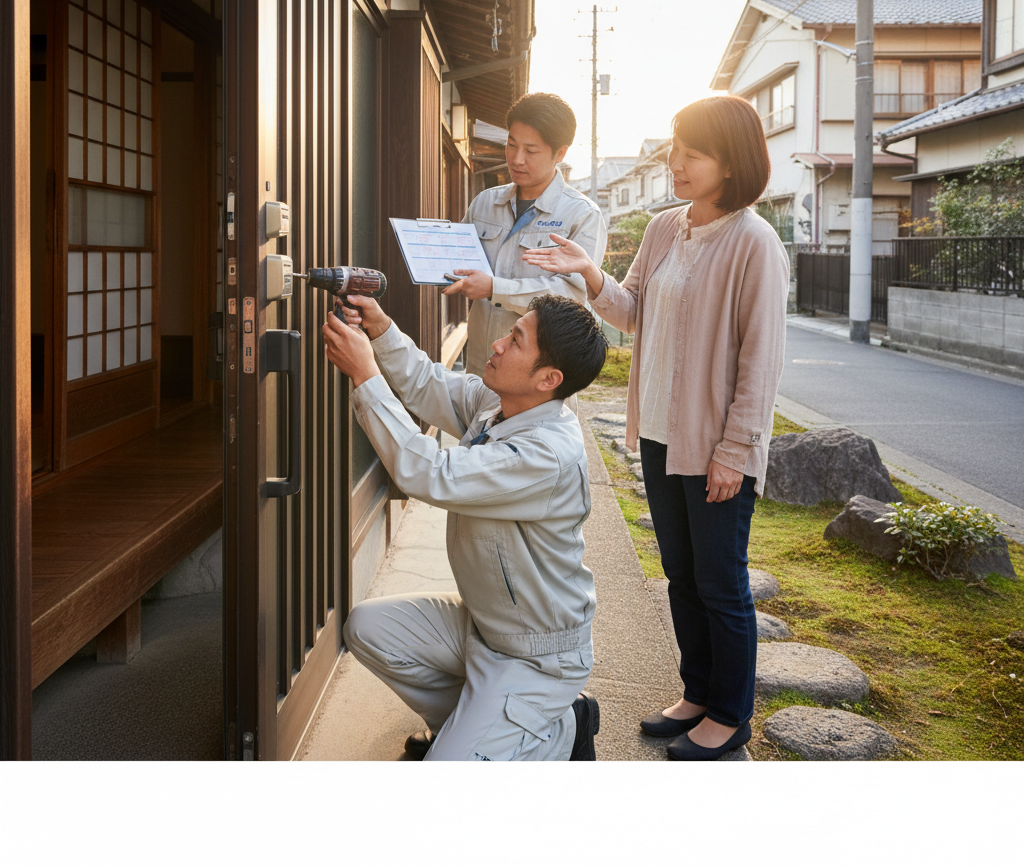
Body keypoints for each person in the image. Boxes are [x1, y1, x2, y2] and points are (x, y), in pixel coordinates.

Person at [523, 95, 789, 761]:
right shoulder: (666, 228)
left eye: (693, 153)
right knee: (680, 574)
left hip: (716, 447)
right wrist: (590, 273)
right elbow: (632, 311)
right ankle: (698, 692)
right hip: (660, 433)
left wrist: (736, 451)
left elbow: (761, 361)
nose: (677, 162)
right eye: (676, 147)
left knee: (721, 583)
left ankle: (730, 714)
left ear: (731, 163)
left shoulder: (755, 242)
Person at [322, 291, 609, 761]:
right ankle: (466, 726)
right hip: (484, 626)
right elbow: (426, 383)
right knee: (368, 629)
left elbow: (431, 473)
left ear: (548, 379)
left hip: (536, 658)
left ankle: (561, 729)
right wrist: (381, 328)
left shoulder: (546, 454)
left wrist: (365, 374)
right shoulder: (499, 404)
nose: (497, 344)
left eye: (516, 340)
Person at [443, 92, 607, 382]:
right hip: (481, 367)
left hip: (534, 380)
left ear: (560, 153)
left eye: (531, 151)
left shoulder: (582, 215)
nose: (517, 159)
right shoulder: (484, 203)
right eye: (511, 145)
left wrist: (495, 288)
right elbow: (458, 260)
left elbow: (571, 298)